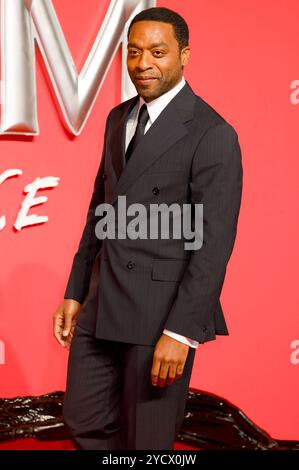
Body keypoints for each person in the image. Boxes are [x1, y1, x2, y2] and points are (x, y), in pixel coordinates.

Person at [53, 6, 243, 450]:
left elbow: (213, 245)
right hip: (102, 303)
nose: (143, 64)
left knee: (148, 444)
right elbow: (99, 212)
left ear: (184, 55)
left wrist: (181, 332)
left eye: (158, 52)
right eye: (134, 52)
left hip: (159, 315)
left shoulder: (212, 132)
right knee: (83, 423)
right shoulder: (118, 118)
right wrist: (76, 290)